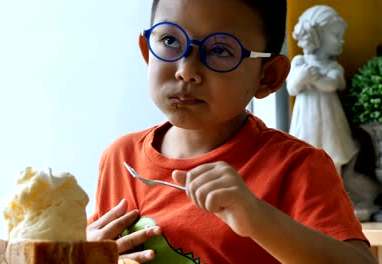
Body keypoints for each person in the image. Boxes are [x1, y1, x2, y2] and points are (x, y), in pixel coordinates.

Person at [86, 0, 377, 263]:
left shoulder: (297, 166)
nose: (186, 70)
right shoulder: (120, 157)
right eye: (170, 40)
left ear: (268, 76)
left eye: (220, 50)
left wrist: (257, 217)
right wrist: (84, 254)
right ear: (147, 50)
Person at [287, 5, 358, 175]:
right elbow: (291, 88)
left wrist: (314, 79)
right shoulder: (299, 62)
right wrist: (301, 78)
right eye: (336, 35)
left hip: (329, 119)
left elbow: (333, 84)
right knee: (306, 152)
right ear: (316, 36)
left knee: (333, 151)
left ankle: (336, 185)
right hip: (306, 120)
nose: (342, 40)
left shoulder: (332, 66)